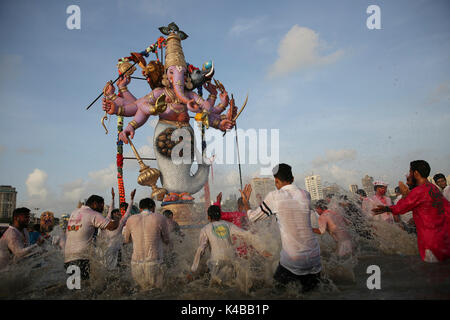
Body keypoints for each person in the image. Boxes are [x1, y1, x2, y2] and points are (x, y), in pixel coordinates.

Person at [241, 163, 322, 293]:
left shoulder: (275, 196)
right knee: (313, 293)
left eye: (276, 182)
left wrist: (246, 203)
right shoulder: (305, 195)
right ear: (293, 178)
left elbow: (253, 218)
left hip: (293, 260)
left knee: (277, 291)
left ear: (277, 181)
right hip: (315, 259)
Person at [373, 160, 450, 262]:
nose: (409, 175)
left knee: (433, 274)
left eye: (410, 172)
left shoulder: (418, 191)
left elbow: (400, 208)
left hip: (430, 242)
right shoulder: (433, 188)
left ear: (416, 173)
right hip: (444, 239)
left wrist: (387, 208)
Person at [189, 205, 270, 283]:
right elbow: (247, 235)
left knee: (215, 286)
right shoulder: (228, 225)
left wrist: (193, 270)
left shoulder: (205, 229)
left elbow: (201, 249)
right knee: (231, 284)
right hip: (230, 260)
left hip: (216, 261)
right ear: (220, 216)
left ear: (208, 217)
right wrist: (262, 249)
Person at [64, 195, 119, 280]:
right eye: (101, 206)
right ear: (95, 204)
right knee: (85, 288)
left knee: (75, 287)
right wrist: (117, 219)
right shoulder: (93, 214)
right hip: (82, 258)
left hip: (68, 258)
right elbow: (112, 226)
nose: (102, 209)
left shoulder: (74, 213)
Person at [123, 198, 170, 290]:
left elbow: (126, 240)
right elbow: (167, 240)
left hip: (136, 263)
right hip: (154, 262)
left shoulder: (131, 219)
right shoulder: (160, 218)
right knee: (157, 293)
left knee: (141, 291)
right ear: (153, 207)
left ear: (140, 208)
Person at [101, 188, 135, 270]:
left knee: (118, 267)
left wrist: (131, 199)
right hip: (107, 249)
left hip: (118, 249)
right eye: (116, 213)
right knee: (106, 267)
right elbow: (110, 210)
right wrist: (113, 198)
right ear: (112, 215)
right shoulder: (107, 221)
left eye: (119, 213)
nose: (118, 214)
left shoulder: (121, 222)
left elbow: (127, 212)